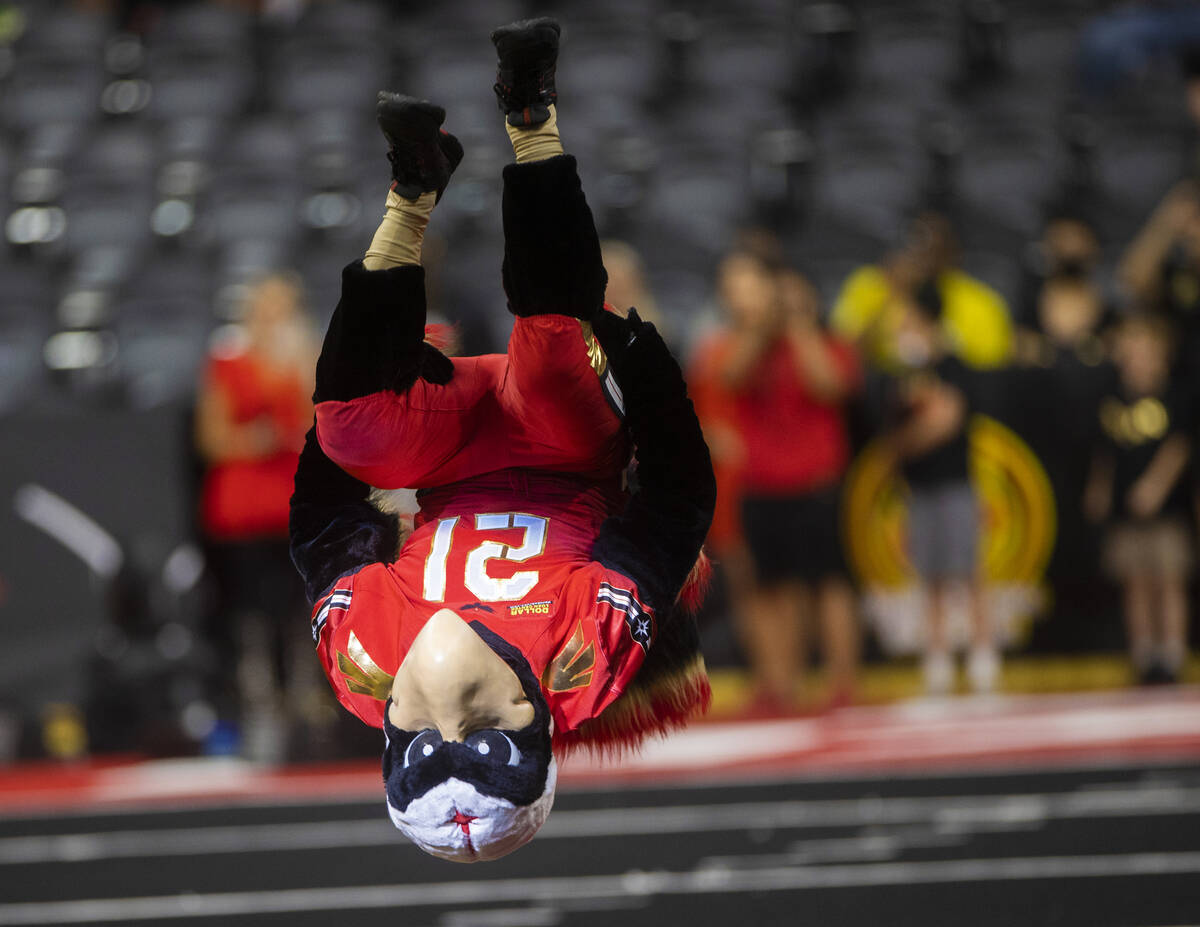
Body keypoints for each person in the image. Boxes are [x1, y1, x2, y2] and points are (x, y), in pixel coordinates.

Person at [289, 18, 715, 862]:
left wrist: (358, 389)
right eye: (482, 735)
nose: (446, 710)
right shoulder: (583, 665)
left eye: (421, 740)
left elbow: (322, 518)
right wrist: (647, 372)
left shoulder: (363, 663)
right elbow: (675, 507)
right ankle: (532, 117)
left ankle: (411, 195)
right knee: (559, 354)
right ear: (536, 725)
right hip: (561, 450)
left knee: (348, 426)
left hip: (440, 455)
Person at [716, 252, 862, 713]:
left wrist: (800, 328)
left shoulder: (829, 343)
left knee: (829, 584)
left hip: (816, 484)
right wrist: (763, 329)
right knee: (771, 588)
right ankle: (782, 683)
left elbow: (831, 386)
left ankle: (841, 681)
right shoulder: (747, 344)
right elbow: (729, 377)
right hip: (762, 485)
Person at [193, 272, 319, 757]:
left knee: (299, 609)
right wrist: (253, 441)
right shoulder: (229, 361)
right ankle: (259, 703)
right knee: (251, 614)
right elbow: (212, 436)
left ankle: (307, 705)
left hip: (296, 504)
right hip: (244, 510)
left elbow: (322, 416)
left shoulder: (308, 355)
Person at [883, 284, 995, 695]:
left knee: (969, 569)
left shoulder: (953, 366)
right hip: (918, 489)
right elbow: (893, 440)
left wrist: (916, 434)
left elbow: (948, 422)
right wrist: (919, 432)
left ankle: (983, 652)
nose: (903, 328)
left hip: (955, 484)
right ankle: (938, 653)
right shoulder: (898, 375)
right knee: (928, 573)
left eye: (909, 320)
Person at [1084, 313, 1193, 684]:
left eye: (1145, 348)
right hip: (1125, 510)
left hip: (1168, 509)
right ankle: (1144, 653)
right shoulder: (1112, 396)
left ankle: (1172, 652)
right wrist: (1099, 489)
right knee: (1136, 581)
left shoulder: (1175, 394)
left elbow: (1179, 447)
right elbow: (1104, 450)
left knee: (1168, 579)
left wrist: (1156, 486)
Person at [831, 210, 1014, 372]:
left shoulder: (979, 302)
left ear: (951, 254)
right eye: (915, 245)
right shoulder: (869, 286)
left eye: (933, 250)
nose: (922, 259)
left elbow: (992, 369)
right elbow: (844, 358)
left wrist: (944, 351)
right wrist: (891, 296)